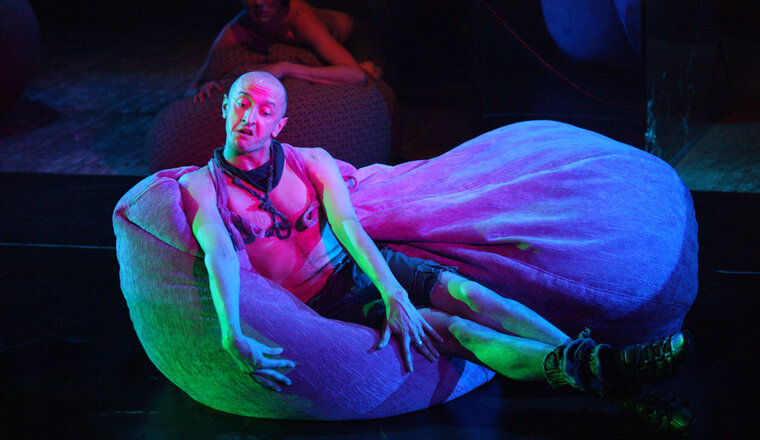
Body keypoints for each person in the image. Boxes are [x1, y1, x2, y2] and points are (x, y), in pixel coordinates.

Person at [178, 71, 694, 433]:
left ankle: (604, 369)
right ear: (225, 108)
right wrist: (231, 334)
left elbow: (350, 228)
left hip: (369, 266)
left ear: (280, 124)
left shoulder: (310, 161)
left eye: (265, 110)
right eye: (241, 103)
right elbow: (220, 255)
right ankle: (613, 377)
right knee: (458, 330)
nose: (250, 116)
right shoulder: (202, 186)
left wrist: (394, 292)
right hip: (330, 299)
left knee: (473, 294)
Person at [191, 0, 383, 103]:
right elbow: (191, 88)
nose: (259, 3)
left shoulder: (300, 19)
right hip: (318, 50)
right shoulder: (237, 29)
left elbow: (356, 75)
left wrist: (285, 68)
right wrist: (206, 86)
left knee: (369, 74)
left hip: (355, 37)